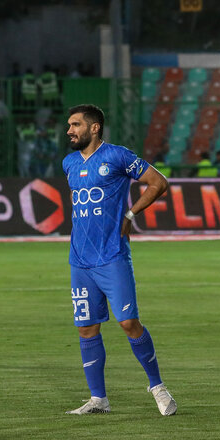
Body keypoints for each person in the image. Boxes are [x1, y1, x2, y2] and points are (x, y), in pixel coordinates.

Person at [62, 104, 176, 416]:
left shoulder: (118, 156)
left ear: (94, 127)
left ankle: (158, 387)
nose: (69, 130)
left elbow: (159, 183)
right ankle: (98, 399)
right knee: (86, 329)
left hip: (112, 256)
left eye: (75, 125)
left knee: (128, 322)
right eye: (69, 125)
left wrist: (130, 214)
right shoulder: (69, 163)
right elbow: (78, 201)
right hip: (80, 261)